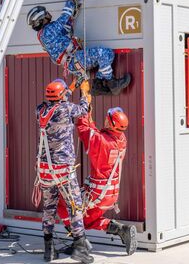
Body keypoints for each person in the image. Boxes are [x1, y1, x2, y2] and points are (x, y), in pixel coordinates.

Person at [58, 107, 137, 256]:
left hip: (97, 195)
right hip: (110, 194)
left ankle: (79, 245)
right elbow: (95, 135)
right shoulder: (121, 139)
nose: (105, 119)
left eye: (108, 119)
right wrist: (90, 117)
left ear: (110, 123)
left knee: (63, 205)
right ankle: (122, 230)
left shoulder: (102, 141)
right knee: (88, 221)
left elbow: (84, 130)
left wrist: (85, 113)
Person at [27, 0, 131, 96]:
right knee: (103, 53)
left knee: (108, 54)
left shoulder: (45, 34)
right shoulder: (48, 31)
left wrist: (73, 13)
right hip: (74, 60)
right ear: (41, 20)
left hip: (74, 61)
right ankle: (113, 84)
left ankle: (98, 85)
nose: (48, 13)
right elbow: (64, 17)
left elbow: (66, 28)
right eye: (46, 13)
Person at [34, 79, 94, 263]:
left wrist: (71, 87)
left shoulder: (40, 110)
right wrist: (84, 92)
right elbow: (84, 109)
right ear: (61, 96)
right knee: (74, 206)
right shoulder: (66, 109)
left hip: (45, 169)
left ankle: (49, 250)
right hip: (63, 169)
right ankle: (80, 250)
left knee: (49, 208)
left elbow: (59, 100)